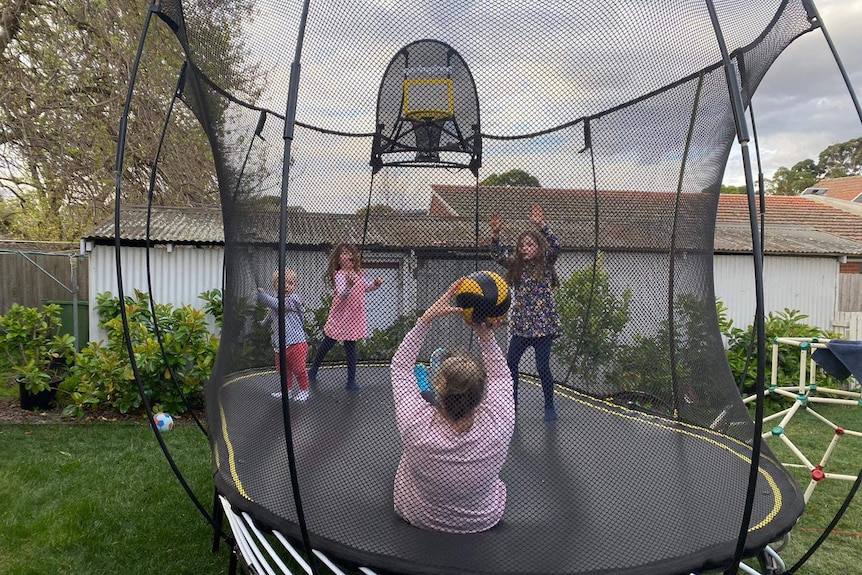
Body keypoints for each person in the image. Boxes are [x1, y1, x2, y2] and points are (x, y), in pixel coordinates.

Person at [391, 279, 515, 533]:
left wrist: (426, 319)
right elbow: (502, 377)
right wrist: (485, 332)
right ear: (482, 393)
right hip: (483, 518)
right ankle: (447, 378)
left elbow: (400, 367)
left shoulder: (416, 423)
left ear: (441, 391)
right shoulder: (500, 420)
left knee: (408, 457)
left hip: (420, 516)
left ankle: (431, 382)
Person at [490, 204, 562, 421]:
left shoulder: (546, 264)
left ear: (538, 248)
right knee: (511, 364)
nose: (525, 248)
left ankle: (549, 405)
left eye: (530, 245)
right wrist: (495, 234)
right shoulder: (516, 266)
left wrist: (542, 225)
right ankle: (512, 403)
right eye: (522, 245)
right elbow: (496, 255)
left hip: (543, 327)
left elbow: (557, 246)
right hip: (521, 326)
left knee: (542, 367)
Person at [308, 243, 383, 391]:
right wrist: (349, 286)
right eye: (344, 253)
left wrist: (375, 284)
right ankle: (314, 369)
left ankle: (351, 380)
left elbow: (365, 287)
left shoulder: (358, 274)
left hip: (354, 317)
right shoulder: (341, 275)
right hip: (341, 316)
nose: (348, 255)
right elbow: (342, 295)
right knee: (328, 342)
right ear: (338, 259)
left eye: (351, 253)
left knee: (351, 347)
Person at [258, 268, 310, 402]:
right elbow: (271, 316)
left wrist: (263, 296)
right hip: (280, 343)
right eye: (283, 283)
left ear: (295, 286)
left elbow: (279, 305)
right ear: (275, 286)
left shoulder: (293, 299)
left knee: (299, 369)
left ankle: (304, 390)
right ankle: (287, 390)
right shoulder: (275, 302)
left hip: (296, 342)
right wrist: (263, 323)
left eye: (291, 283)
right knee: (284, 370)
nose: (287, 286)